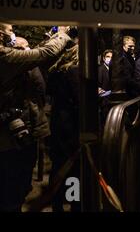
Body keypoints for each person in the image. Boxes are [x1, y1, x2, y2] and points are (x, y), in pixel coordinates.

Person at [0, 23, 71, 212]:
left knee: (21, 186)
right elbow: (43, 53)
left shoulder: (11, 57)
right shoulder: (5, 57)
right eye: (9, 30)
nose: (13, 33)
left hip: (23, 132)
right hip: (10, 139)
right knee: (13, 190)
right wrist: (62, 34)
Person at [47, 44, 80, 212]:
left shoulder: (56, 70)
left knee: (58, 164)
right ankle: (74, 203)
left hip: (57, 121)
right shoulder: (74, 71)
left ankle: (56, 204)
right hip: (71, 124)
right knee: (73, 166)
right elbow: (79, 98)